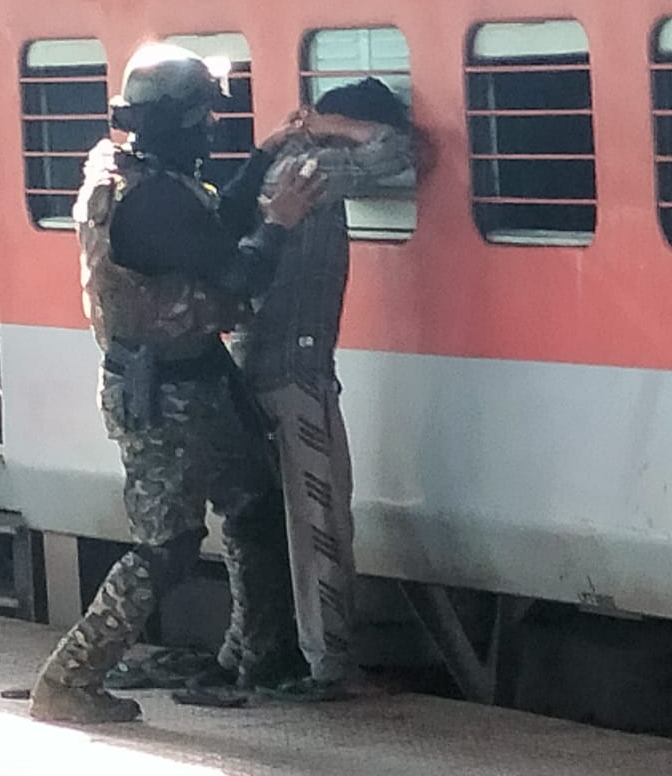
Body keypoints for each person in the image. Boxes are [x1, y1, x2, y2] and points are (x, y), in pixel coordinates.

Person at [29, 43, 319, 724]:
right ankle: (69, 679)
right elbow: (233, 270)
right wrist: (280, 222)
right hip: (164, 396)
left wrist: (261, 161)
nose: (212, 129)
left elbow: (212, 224)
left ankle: (257, 654)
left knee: (253, 503)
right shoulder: (151, 200)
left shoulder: (140, 178)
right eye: (204, 118)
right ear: (180, 125)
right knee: (168, 545)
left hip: (193, 381)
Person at [229, 78, 416, 702]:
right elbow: (395, 150)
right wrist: (329, 125)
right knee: (319, 517)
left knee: (256, 524)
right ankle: (329, 661)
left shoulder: (275, 163)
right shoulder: (312, 167)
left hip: (252, 363)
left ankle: (245, 646)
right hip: (295, 370)